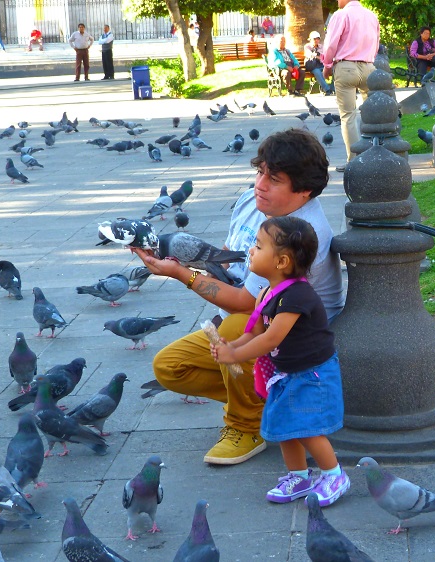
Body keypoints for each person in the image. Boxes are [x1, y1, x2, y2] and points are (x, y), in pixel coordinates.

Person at [131, 128, 344, 466]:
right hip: (258, 313)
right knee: (169, 367)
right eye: (260, 171)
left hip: (297, 335)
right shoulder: (251, 201)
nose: (260, 184)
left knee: (235, 328)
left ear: (303, 191)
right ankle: (267, 404)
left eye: (274, 179)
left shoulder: (303, 231)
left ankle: (246, 427)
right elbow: (229, 259)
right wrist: (175, 256)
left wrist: (180, 274)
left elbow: (248, 303)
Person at [211, 216, 348, 507]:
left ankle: (334, 475)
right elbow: (255, 331)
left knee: (309, 428)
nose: (250, 250)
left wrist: (235, 356)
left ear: (282, 261)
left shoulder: (298, 296)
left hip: (313, 375)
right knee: (284, 426)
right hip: (288, 373)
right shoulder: (267, 291)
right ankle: (299, 475)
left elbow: (271, 338)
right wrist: (231, 345)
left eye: (259, 246)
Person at [321, 0, 379, 171]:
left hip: (346, 67)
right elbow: (375, 45)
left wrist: (327, 66)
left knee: (348, 116)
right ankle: (376, 156)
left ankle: (355, 161)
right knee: (373, 115)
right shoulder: (372, 16)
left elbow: (331, 44)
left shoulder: (341, 15)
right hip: (369, 67)